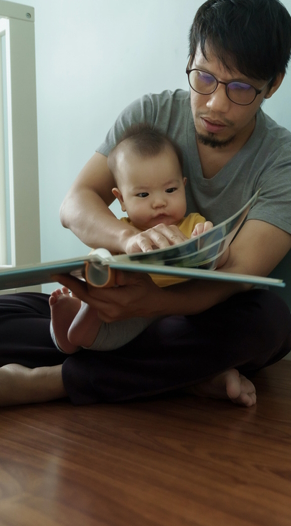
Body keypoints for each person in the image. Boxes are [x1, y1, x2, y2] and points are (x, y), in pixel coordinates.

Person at [0, 0, 291, 419]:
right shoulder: (148, 116)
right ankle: (185, 378)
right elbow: (76, 203)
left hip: (191, 316)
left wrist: (152, 302)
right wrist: (127, 240)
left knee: (269, 325)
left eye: (240, 88)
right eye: (204, 77)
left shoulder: (286, 165)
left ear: (273, 84)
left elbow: (241, 275)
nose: (214, 103)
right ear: (189, 61)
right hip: (112, 310)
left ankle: (42, 382)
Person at [50, 122, 214, 354]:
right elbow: (96, 266)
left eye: (170, 190)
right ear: (122, 200)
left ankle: (79, 328)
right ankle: (72, 315)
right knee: (94, 294)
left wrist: (206, 238)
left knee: (161, 329)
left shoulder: (190, 225)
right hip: (113, 305)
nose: (159, 202)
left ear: (183, 187)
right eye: (143, 194)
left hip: (154, 310)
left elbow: (219, 256)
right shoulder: (118, 233)